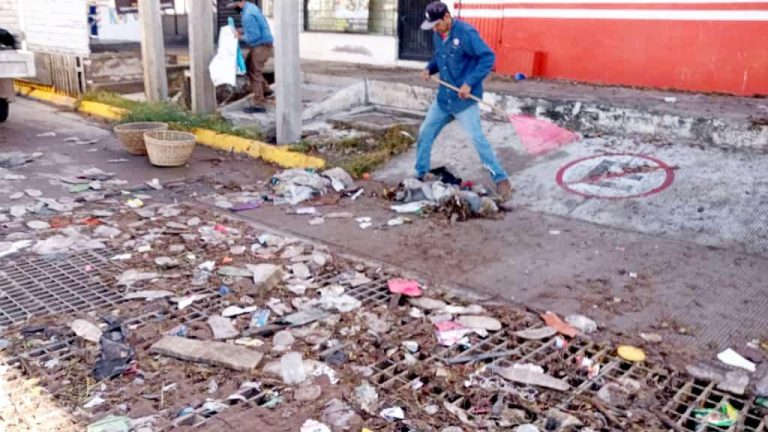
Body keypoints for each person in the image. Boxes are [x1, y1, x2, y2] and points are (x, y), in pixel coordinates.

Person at [416, 1, 512, 199]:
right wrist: (429, 69)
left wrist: (469, 83)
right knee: (425, 133)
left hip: (464, 102)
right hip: (444, 100)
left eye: (437, 24)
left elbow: (487, 57)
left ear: (447, 16)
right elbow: (439, 57)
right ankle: (420, 173)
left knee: (478, 139)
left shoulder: (466, 33)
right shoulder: (437, 34)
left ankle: (501, 179)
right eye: (432, 25)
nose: (434, 29)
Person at [228, 1, 274, 114]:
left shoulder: (248, 15)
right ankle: (266, 90)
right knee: (248, 66)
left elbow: (254, 36)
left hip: (261, 45)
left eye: (235, 5)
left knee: (254, 73)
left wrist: (239, 37)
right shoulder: (250, 8)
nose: (234, 7)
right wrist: (241, 30)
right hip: (262, 44)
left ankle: (259, 104)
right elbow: (254, 27)